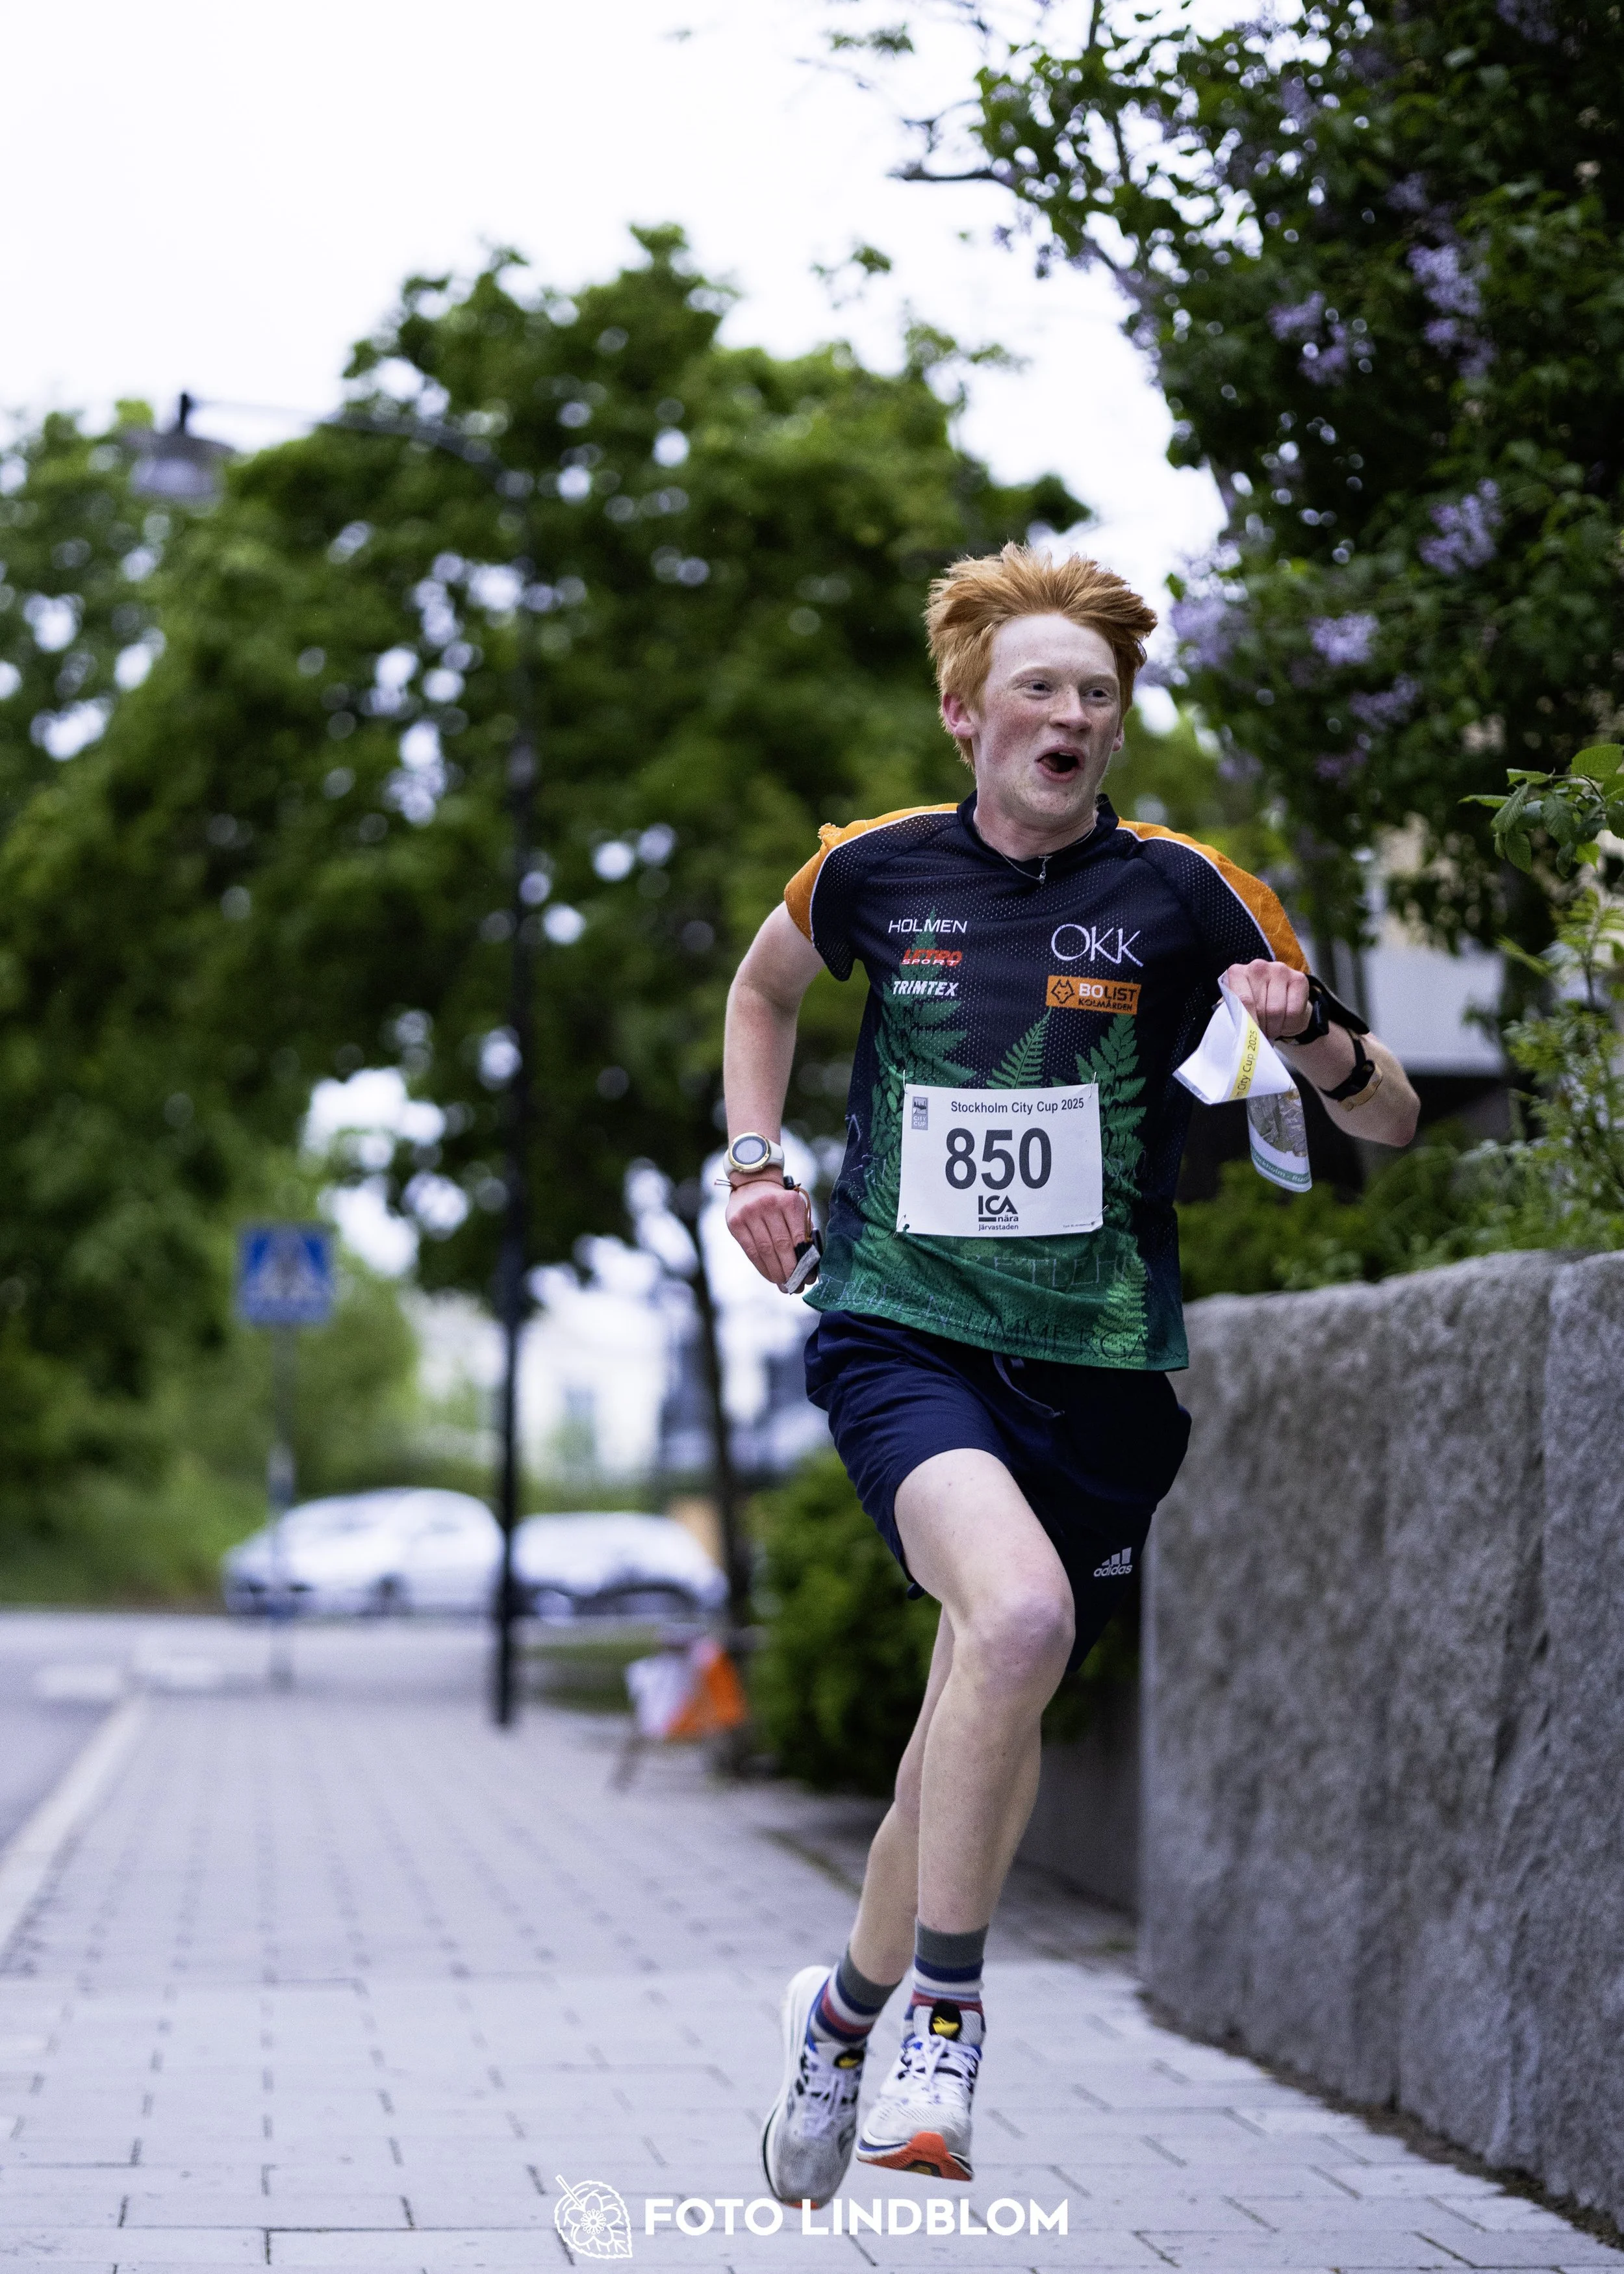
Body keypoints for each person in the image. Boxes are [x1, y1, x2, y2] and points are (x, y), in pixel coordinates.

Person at [722, 544, 1419, 2204]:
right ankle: (947, 2032)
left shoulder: (1189, 889)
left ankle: (838, 2019)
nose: (1073, 712)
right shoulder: (873, 873)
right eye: (1039, 685)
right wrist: (752, 1156)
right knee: (1016, 1621)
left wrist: (1305, 1026)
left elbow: (1380, 1113)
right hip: (904, 1328)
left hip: (1103, 1372)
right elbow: (761, 990)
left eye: (1097, 693)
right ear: (967, 715)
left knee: (970, 1714)